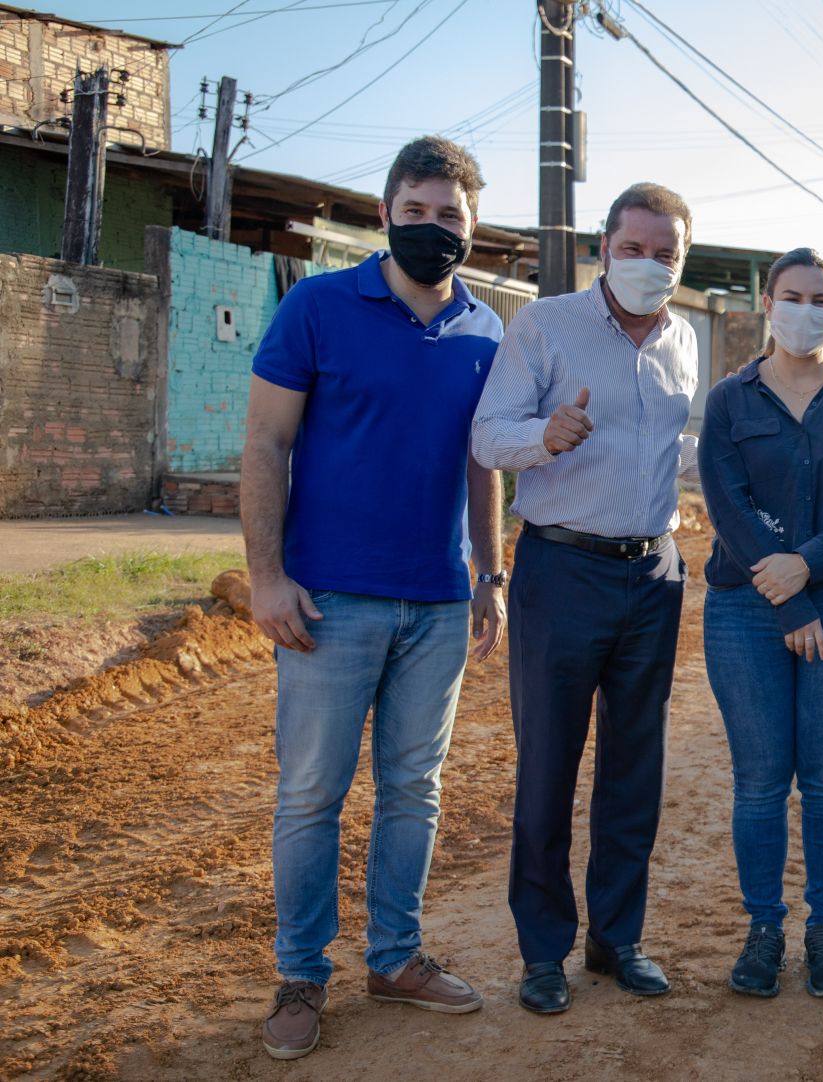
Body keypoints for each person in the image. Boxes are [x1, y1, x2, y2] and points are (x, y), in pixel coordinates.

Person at [241, 136, 506, 1061]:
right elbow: (266, 444)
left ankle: (395, 958)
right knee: (312, 794)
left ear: (471, 230)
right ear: (386, 210)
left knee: (414, 792)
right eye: (418, 210)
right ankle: (301, 978)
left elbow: (484, 462)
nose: (433, 229)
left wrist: (490, 572)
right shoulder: (317, 305)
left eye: (451, 218)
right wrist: (267, 578)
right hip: (327, 601)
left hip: (436, 602)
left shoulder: (485, 329)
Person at [471, 182, 700, 1015]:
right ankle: (542, 952)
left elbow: (672, 449)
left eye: (665, 252)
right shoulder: (544, 326)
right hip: (562, 572)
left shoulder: (685, 340)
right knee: (548, 766)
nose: (648, 264)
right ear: (605, 246)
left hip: (653, 574)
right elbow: (486, 434)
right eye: (633, 247)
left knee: (635, 766)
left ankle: (618, 937)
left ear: (683, 259)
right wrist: (545, 437)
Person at [698, 248, 823, 998]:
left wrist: (807, 571)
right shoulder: (731, 399)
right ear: (768, 304)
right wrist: (791, 597)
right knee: (758, 781)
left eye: (821, 299)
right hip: (746, 607)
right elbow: (726, 504)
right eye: (793, 296)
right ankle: (762, 930)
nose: (806, 309)